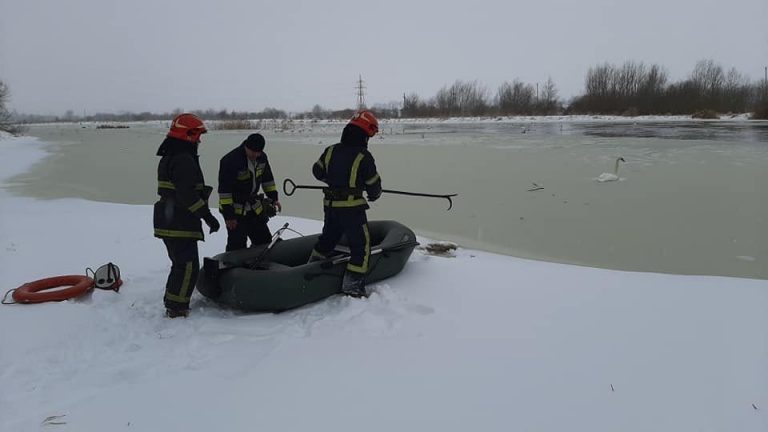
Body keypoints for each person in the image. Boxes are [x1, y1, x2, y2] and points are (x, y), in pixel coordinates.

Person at [153, 113, 220, 318]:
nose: (199, 140)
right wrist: (207, 216)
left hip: (169, 218)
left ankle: (172, 302)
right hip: (179, 221)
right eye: (198, 135)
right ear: (188, 135)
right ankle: (177, 309)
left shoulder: (170, 156)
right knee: (188, 266)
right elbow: (187, 195)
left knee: (179, 264)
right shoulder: (183, 160)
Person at [308, 110, 382, 297]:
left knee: (328, 238)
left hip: (330, 206)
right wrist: (374, 194)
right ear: (365, 134)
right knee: (361, 246)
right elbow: (374, 185)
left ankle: (310, 268)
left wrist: (333, 180)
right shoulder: (364, 156)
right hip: (352, 209)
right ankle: (353, 286)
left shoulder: (331, 150)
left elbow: (317, 171)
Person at [218, 133, 281, 251]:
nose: (255, 155)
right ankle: (233, 267)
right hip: (235, 210)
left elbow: (268, 180)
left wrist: (274, 198)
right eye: (253, 152)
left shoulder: (262, 158)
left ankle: (261, 266)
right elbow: (224, 191)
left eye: (259, 152)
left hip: (253, 207)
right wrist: (229, 216)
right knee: (237, 244)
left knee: (264, 240)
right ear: (246, 146)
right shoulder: (230, 160)